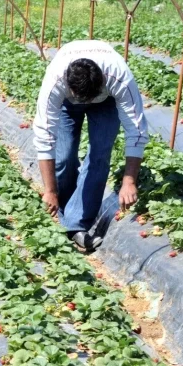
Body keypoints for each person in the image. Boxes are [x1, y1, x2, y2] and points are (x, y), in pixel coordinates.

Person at [33, 39, 148, 252]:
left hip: (106, 102)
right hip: (68, 103)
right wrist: (49, 190)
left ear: (102, 81)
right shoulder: (56, 80)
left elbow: (136, 131)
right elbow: (44, 135)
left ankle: (77, 224)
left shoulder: (118, 77)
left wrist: (129, 181)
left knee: (99, 156)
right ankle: (66, 213)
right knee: (65, 156)